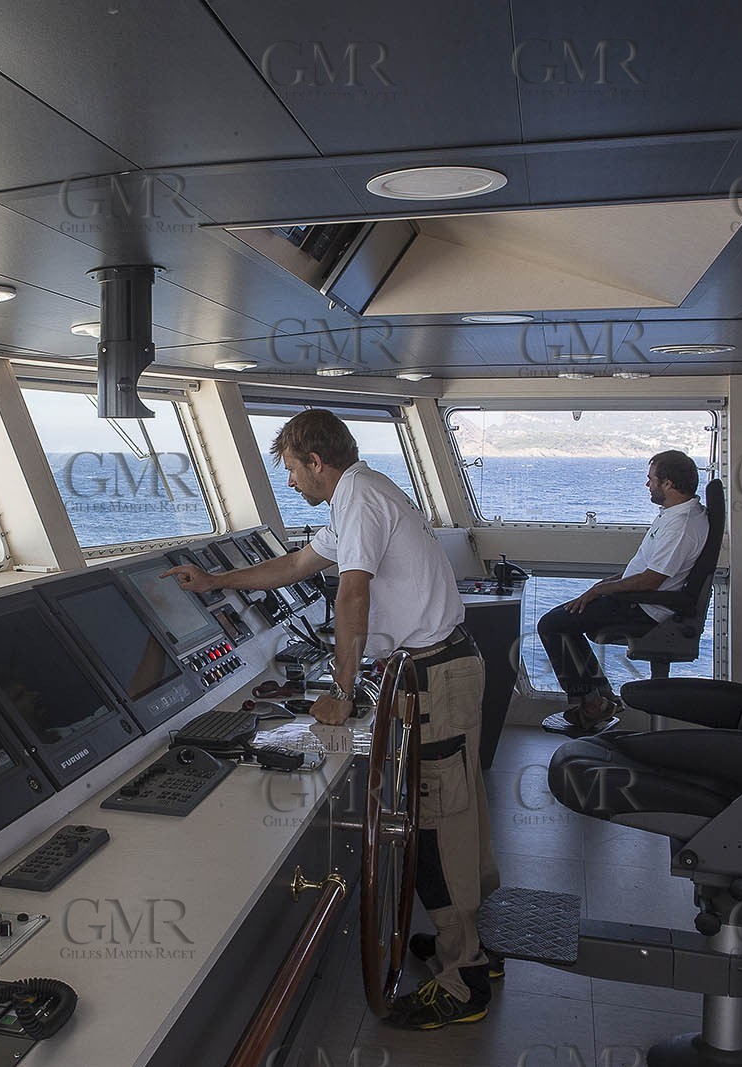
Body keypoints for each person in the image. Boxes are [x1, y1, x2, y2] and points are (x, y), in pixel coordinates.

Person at [162, 410, 500, 1031]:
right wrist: (214, 580)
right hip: (427, 670)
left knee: (435, 823)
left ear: (315, 462)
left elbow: (353, 595)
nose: (289, 482)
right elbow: (294, 567)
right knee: (449, 807)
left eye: (290, 469)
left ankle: (465, 976)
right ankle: (469, 939)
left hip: (433, 675)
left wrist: (342, 691)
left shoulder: (360, 498)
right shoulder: (357, 499)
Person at [536, 450, 709, 734]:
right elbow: (648, 570)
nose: (647, 485)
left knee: (552, 624)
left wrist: (601, 590)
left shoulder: (682, 526)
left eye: (651, 479)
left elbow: (652, 580)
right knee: (565, 622)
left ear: (667, 483)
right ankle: (601, 699)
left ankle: (594, 704)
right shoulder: (678, 514)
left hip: (645, 607)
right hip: (641, 598)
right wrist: (610, 583)